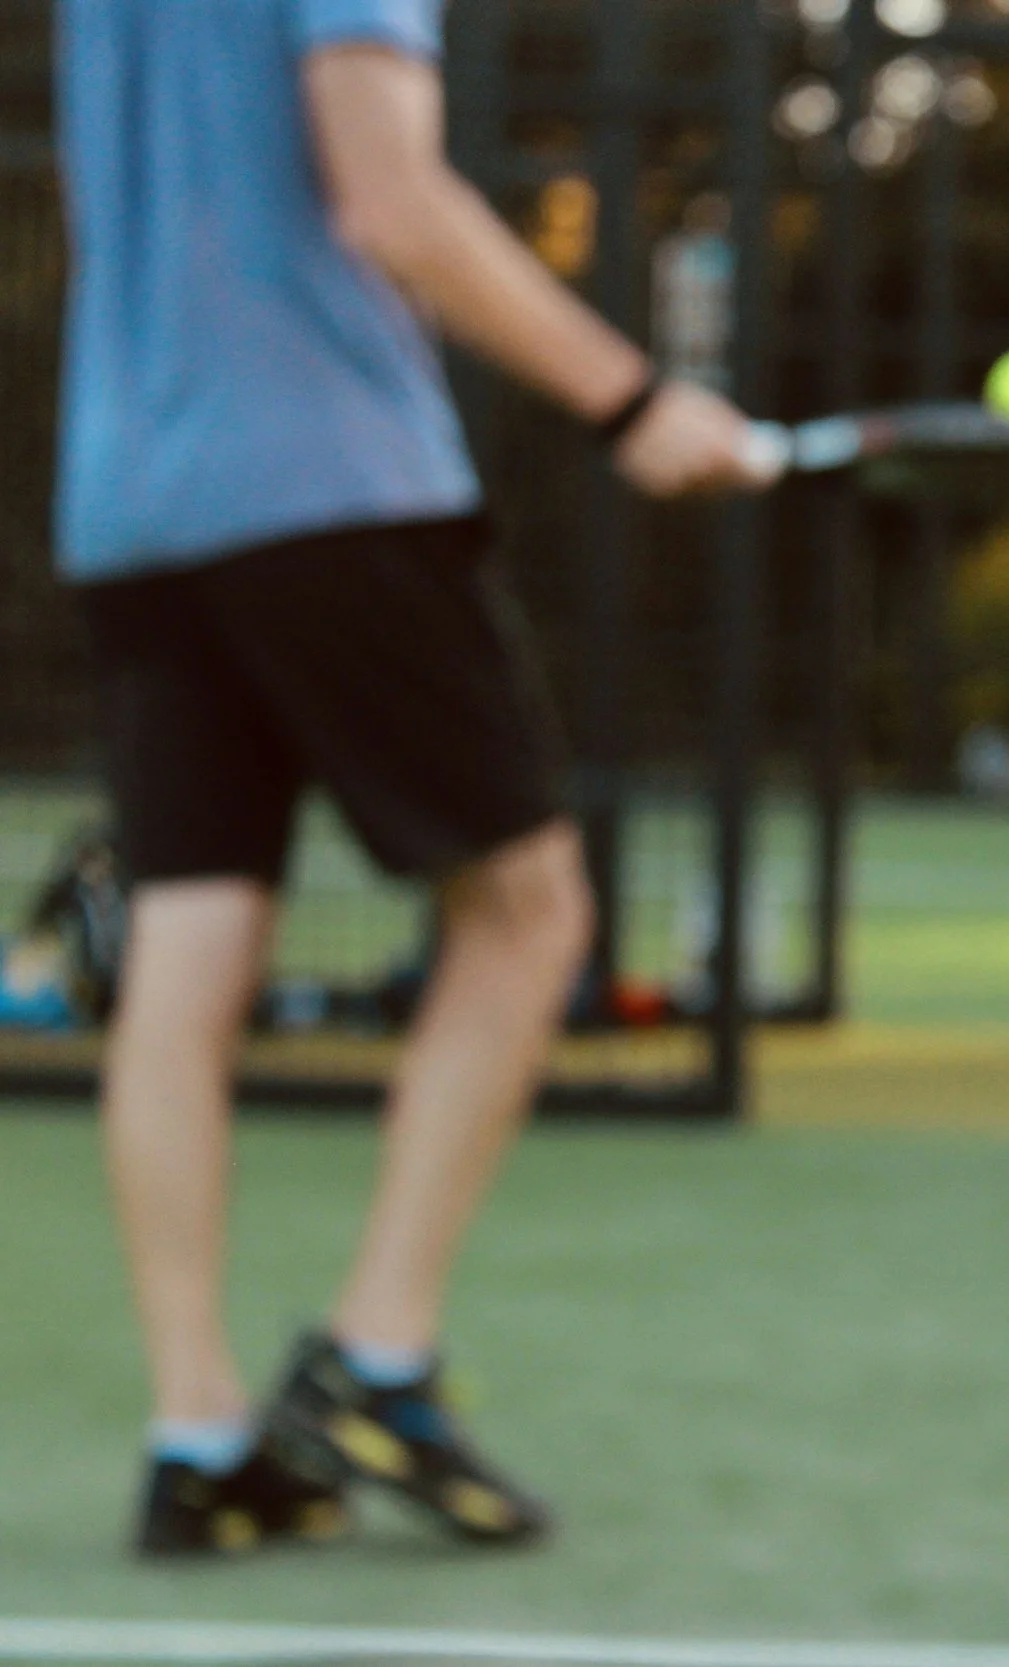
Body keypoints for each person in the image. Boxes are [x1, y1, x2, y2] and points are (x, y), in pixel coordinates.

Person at [57, 0, 774, 1558]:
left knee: (187, 953)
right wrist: (635, 401)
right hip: (327, 481)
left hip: (128, 490)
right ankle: (381, 1354)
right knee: (528, 911)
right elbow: (390, 198)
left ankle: (198, 1434)